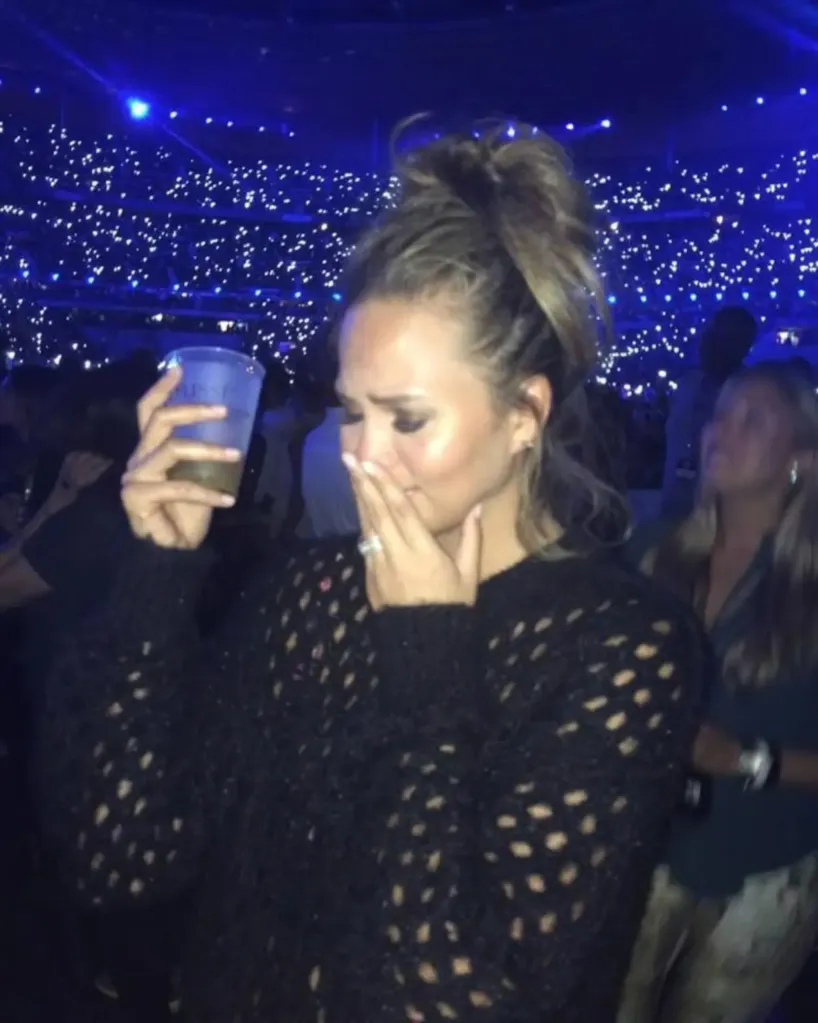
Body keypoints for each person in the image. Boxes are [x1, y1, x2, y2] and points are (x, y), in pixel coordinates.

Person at [38, 124, 705, 1023]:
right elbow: (122, 856)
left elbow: (447, 997)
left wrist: (427, 654)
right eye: (352, 412)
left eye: (406, 418)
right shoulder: (310, 594)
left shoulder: (624, 646)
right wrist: (158, 567)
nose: (362, 457)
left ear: (524, 414)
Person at [619, 361, 818, 1023]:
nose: (718, 431)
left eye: (752, 420)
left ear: (801, 460)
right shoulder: (655, 549)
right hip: (644, 846)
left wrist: (747, 758)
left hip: (765, 873)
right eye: (719, 414)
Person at [662, 307, 758, 517]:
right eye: (710, 332)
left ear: (743, 345)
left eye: (721, 336)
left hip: (725, 515)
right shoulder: (687, 385)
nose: (707, 341)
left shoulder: (754, 393)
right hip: (674, 506)